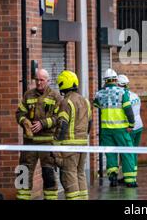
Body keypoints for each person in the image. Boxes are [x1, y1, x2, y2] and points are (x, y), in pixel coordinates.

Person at [15, 68, 62, 200]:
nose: (39, 82)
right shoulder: (28, 95)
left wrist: (43, 123)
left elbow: (59, 117)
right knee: (23, 171)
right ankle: (22, 197)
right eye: (37, 79)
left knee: (48, 173)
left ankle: (51, 198)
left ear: (48, 81)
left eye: (42, 80)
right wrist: (24, 121)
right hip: (29, 142)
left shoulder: (55, 96)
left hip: (47, 142)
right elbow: (19, 112)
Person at [93, 68, 137, 187]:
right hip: (121, 129)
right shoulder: (123, 92)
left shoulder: (99, 94)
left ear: (105, 81)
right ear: (116, 80)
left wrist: (103, 90)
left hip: (106, 130)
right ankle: (130, 181)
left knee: (110, 154)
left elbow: (96, 104)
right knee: (126, 153)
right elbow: (128, 110)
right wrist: (131, 124)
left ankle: (113, 178)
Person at [52, 70, 92, 200]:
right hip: (83, 144)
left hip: (69, 146)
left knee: (69, 176)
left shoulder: (66, 102)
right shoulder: (85, 101)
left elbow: (62, 125)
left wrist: (56, 145)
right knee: (80, 174)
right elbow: (89, 123)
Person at [117, 74, 143, 185]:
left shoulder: (122, 97)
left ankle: (130, 177)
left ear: (118, 84)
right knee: (133, 152)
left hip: (130, 128)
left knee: (127, 154)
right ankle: (133, 175)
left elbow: (127, 113)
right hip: (139, 126)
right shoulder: (135, 95)